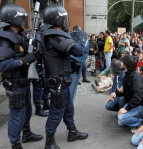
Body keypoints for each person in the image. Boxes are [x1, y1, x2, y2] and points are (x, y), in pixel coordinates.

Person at [0, 4, 43, 148]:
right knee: (17, 115)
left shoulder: (19, 35)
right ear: (12, 20)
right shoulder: (2, 38)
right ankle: (15, 143)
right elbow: (1, 65)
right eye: (21, 19)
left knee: (27, 111)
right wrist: (23, 60)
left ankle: (26, 134)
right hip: (14, 83)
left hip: (24, 82)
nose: (23, 21)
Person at [41, 5, 88, 148]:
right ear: (55, 20)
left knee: (68, 107)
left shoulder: (52, 35)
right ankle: (49, 142)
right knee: (57, 111)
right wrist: (78, 41)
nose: (65, 22)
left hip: (62, 80)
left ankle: (72, 131)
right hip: (58, 81)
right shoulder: (54, 36)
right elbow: (78, 50)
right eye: (63, 19)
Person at [117, 55, 143, 127]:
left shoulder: (136, 77)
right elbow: (125, 91)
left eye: (122, 62)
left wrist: (127, 108)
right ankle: (140, 115)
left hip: (140, 104)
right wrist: (115, 93)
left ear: (125, 64)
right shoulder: (127, 75)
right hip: (132, 102)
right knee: (121, 122)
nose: (120, 63)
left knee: (122, 118)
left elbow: (138, 96)